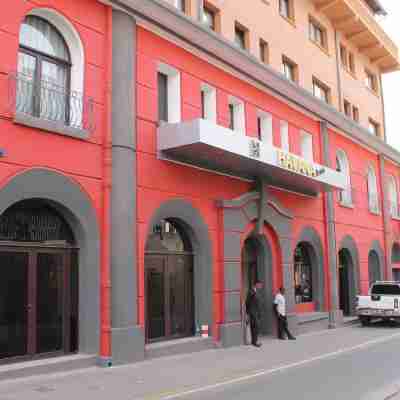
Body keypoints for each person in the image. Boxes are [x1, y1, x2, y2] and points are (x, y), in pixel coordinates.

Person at [245, 280, 263, 347]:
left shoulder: (256, 291)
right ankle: (254, 342)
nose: (261, 286)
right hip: (253, 312)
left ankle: (254, 341)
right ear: (256, 284)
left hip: (256, 312)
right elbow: (247, 302)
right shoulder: (251, 291)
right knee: (255, 327)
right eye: (260, 285)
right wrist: (247, 313)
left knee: (255, 327)